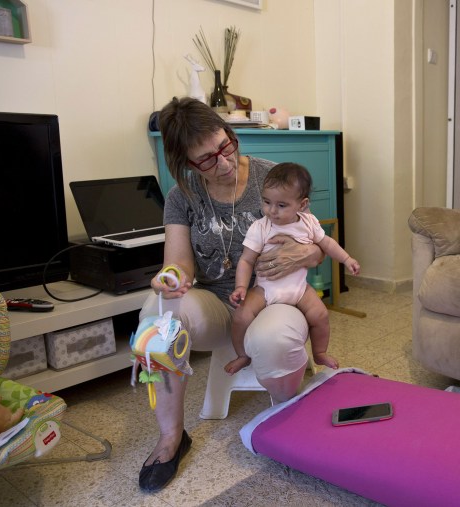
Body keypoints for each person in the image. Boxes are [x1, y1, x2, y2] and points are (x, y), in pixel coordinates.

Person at [136, 97, 324, 493]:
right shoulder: (181, 196)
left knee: (274, 338)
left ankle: (287, 422)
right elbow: (178, 264)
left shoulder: (271, 178)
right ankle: (172, 436)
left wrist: (307, 252)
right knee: (158, 314)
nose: (222, 162)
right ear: (186, 163)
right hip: (217, 305)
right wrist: (171, 278)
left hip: (271, 296)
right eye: (206, 159)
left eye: (226, 146)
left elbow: (318, 243)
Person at [224, 163, 360, 376]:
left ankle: (319, 352)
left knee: (321, 315)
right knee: (241, 317)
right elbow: (246, 260)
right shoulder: (260, 227)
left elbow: (327, 244)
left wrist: (347, 259)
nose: (271, 210)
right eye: (266, 202)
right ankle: (242, 354)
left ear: (302, 204)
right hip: (266, 289)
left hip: (299, 289)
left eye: (281, 205)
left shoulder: (309, 223)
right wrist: (241, 286)